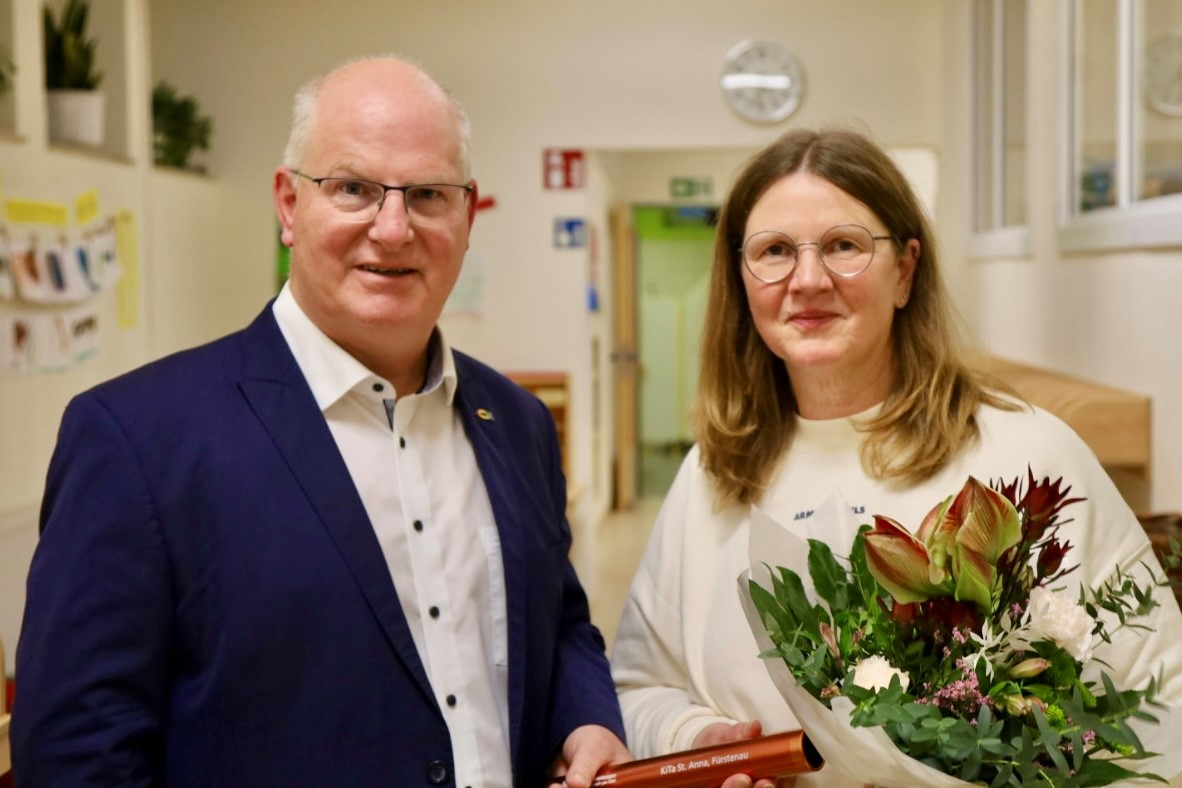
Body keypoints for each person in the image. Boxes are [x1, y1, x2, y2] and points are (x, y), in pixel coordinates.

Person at [14, 56, 629, 787]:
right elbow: (79, 754)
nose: (393, 229)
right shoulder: (138, 440)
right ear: (288, 204)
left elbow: (558, 625)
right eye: (353, 189)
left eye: (428, 194)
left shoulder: (517, 424)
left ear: (467, 217)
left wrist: (586, 719)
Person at [610, 127, 1182, 787]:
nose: (808, 280)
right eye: (774, 251)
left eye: (844, 246)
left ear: (905, 271)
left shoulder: (1027, 455)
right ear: (741, 280)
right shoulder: (713, 474)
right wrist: (700, 740)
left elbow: (1159, 698)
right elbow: (638, 687)